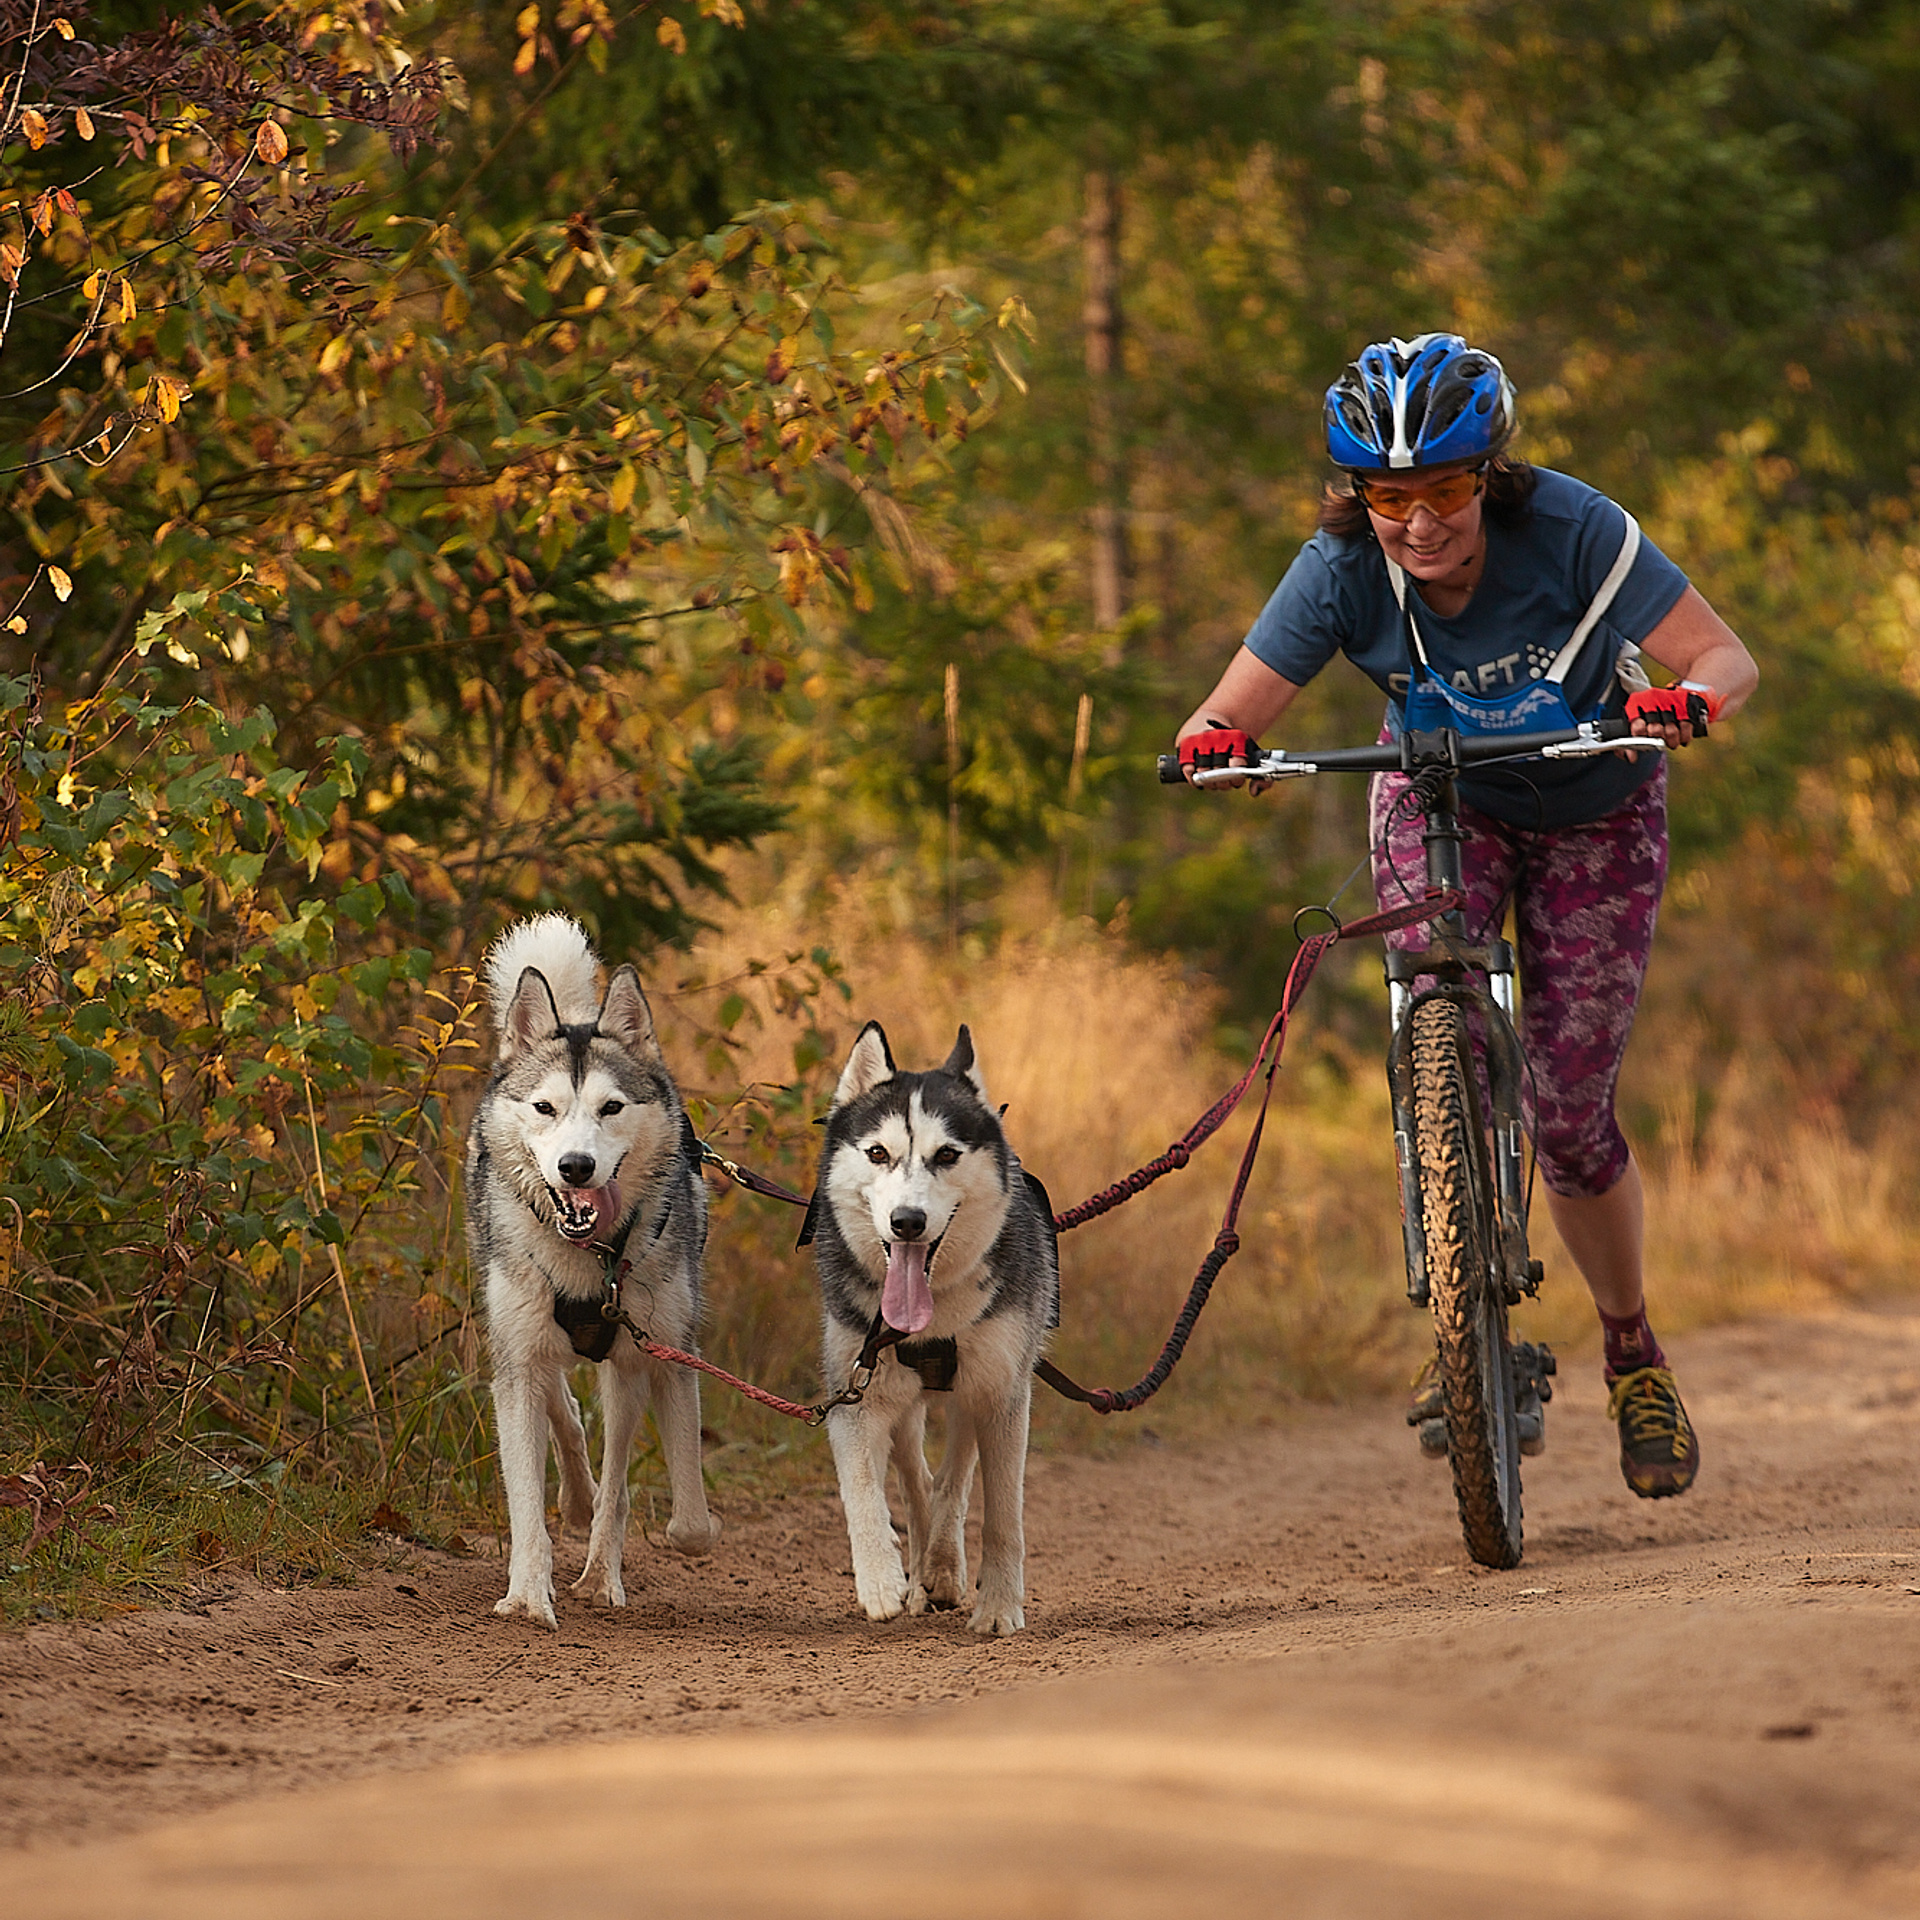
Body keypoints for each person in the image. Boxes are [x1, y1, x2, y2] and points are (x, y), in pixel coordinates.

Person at [1174, 333, 1758, 1499]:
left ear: (1488, 474)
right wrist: (1212, 747)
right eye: (1387, 495)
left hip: (1597, 804)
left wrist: (1689, 699)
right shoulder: (1338, 569)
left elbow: (1723, 655)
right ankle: (1457, 1293)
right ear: (1356, 493)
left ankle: (1631, 1348)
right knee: (1432, 1009)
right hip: (1441, 795)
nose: (1418, 521)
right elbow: (1225, 712)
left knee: (1569, 1108)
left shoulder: (1580, 532)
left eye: (1442, 489)